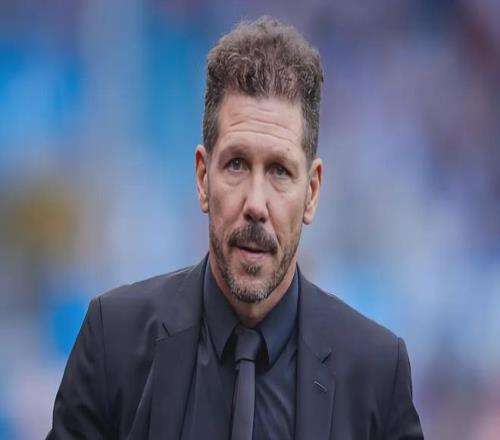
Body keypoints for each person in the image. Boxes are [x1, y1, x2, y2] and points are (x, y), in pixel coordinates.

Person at [47, 16, 423, 440]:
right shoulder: (112, 341)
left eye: (279, 171)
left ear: (312, 192)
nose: (256, 204)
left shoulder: (377, 374)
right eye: (237, 164)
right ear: (202, 177)